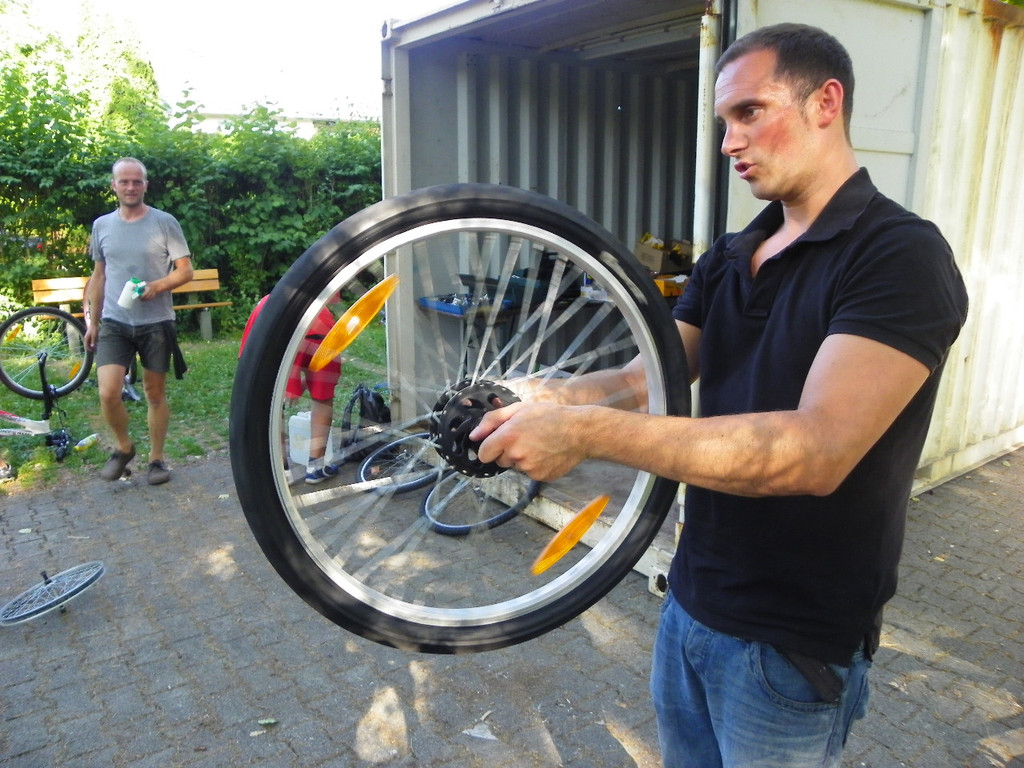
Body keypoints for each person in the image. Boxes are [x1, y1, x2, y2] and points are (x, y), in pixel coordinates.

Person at [469, 23, 969, 768]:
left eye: (749, 112)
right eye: (723, 121)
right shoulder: (733, 254)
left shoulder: (899, 256)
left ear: (826, 102)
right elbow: (646, 377)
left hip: (791, 645)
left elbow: (816, 450)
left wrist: (584, 434)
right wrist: (546, 395)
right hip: (691, 603)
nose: (730, 142)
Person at [84, 157, 194, 485]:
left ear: (146, 185)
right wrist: (92, 322)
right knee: (108, 393)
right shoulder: (102, 225)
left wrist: (156, 286)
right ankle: (124, 447)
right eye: (124, 181)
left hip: (156, 322)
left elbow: (186, 271)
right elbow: (99, 276)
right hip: (115, 321)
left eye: (137, 182)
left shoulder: (164, 222)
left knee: (154, 393)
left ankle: (156, 460)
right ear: (114, 186)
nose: (130, 187)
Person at [239, 295, 343, 484]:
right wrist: (302, 382)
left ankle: (281, 470)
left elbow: (248, 363)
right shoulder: (320, 303)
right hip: (320, 325)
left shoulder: (269, 302)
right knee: (322, 397)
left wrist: (290, 384)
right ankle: (316, 467)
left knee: (272, 400)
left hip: (271, 324)